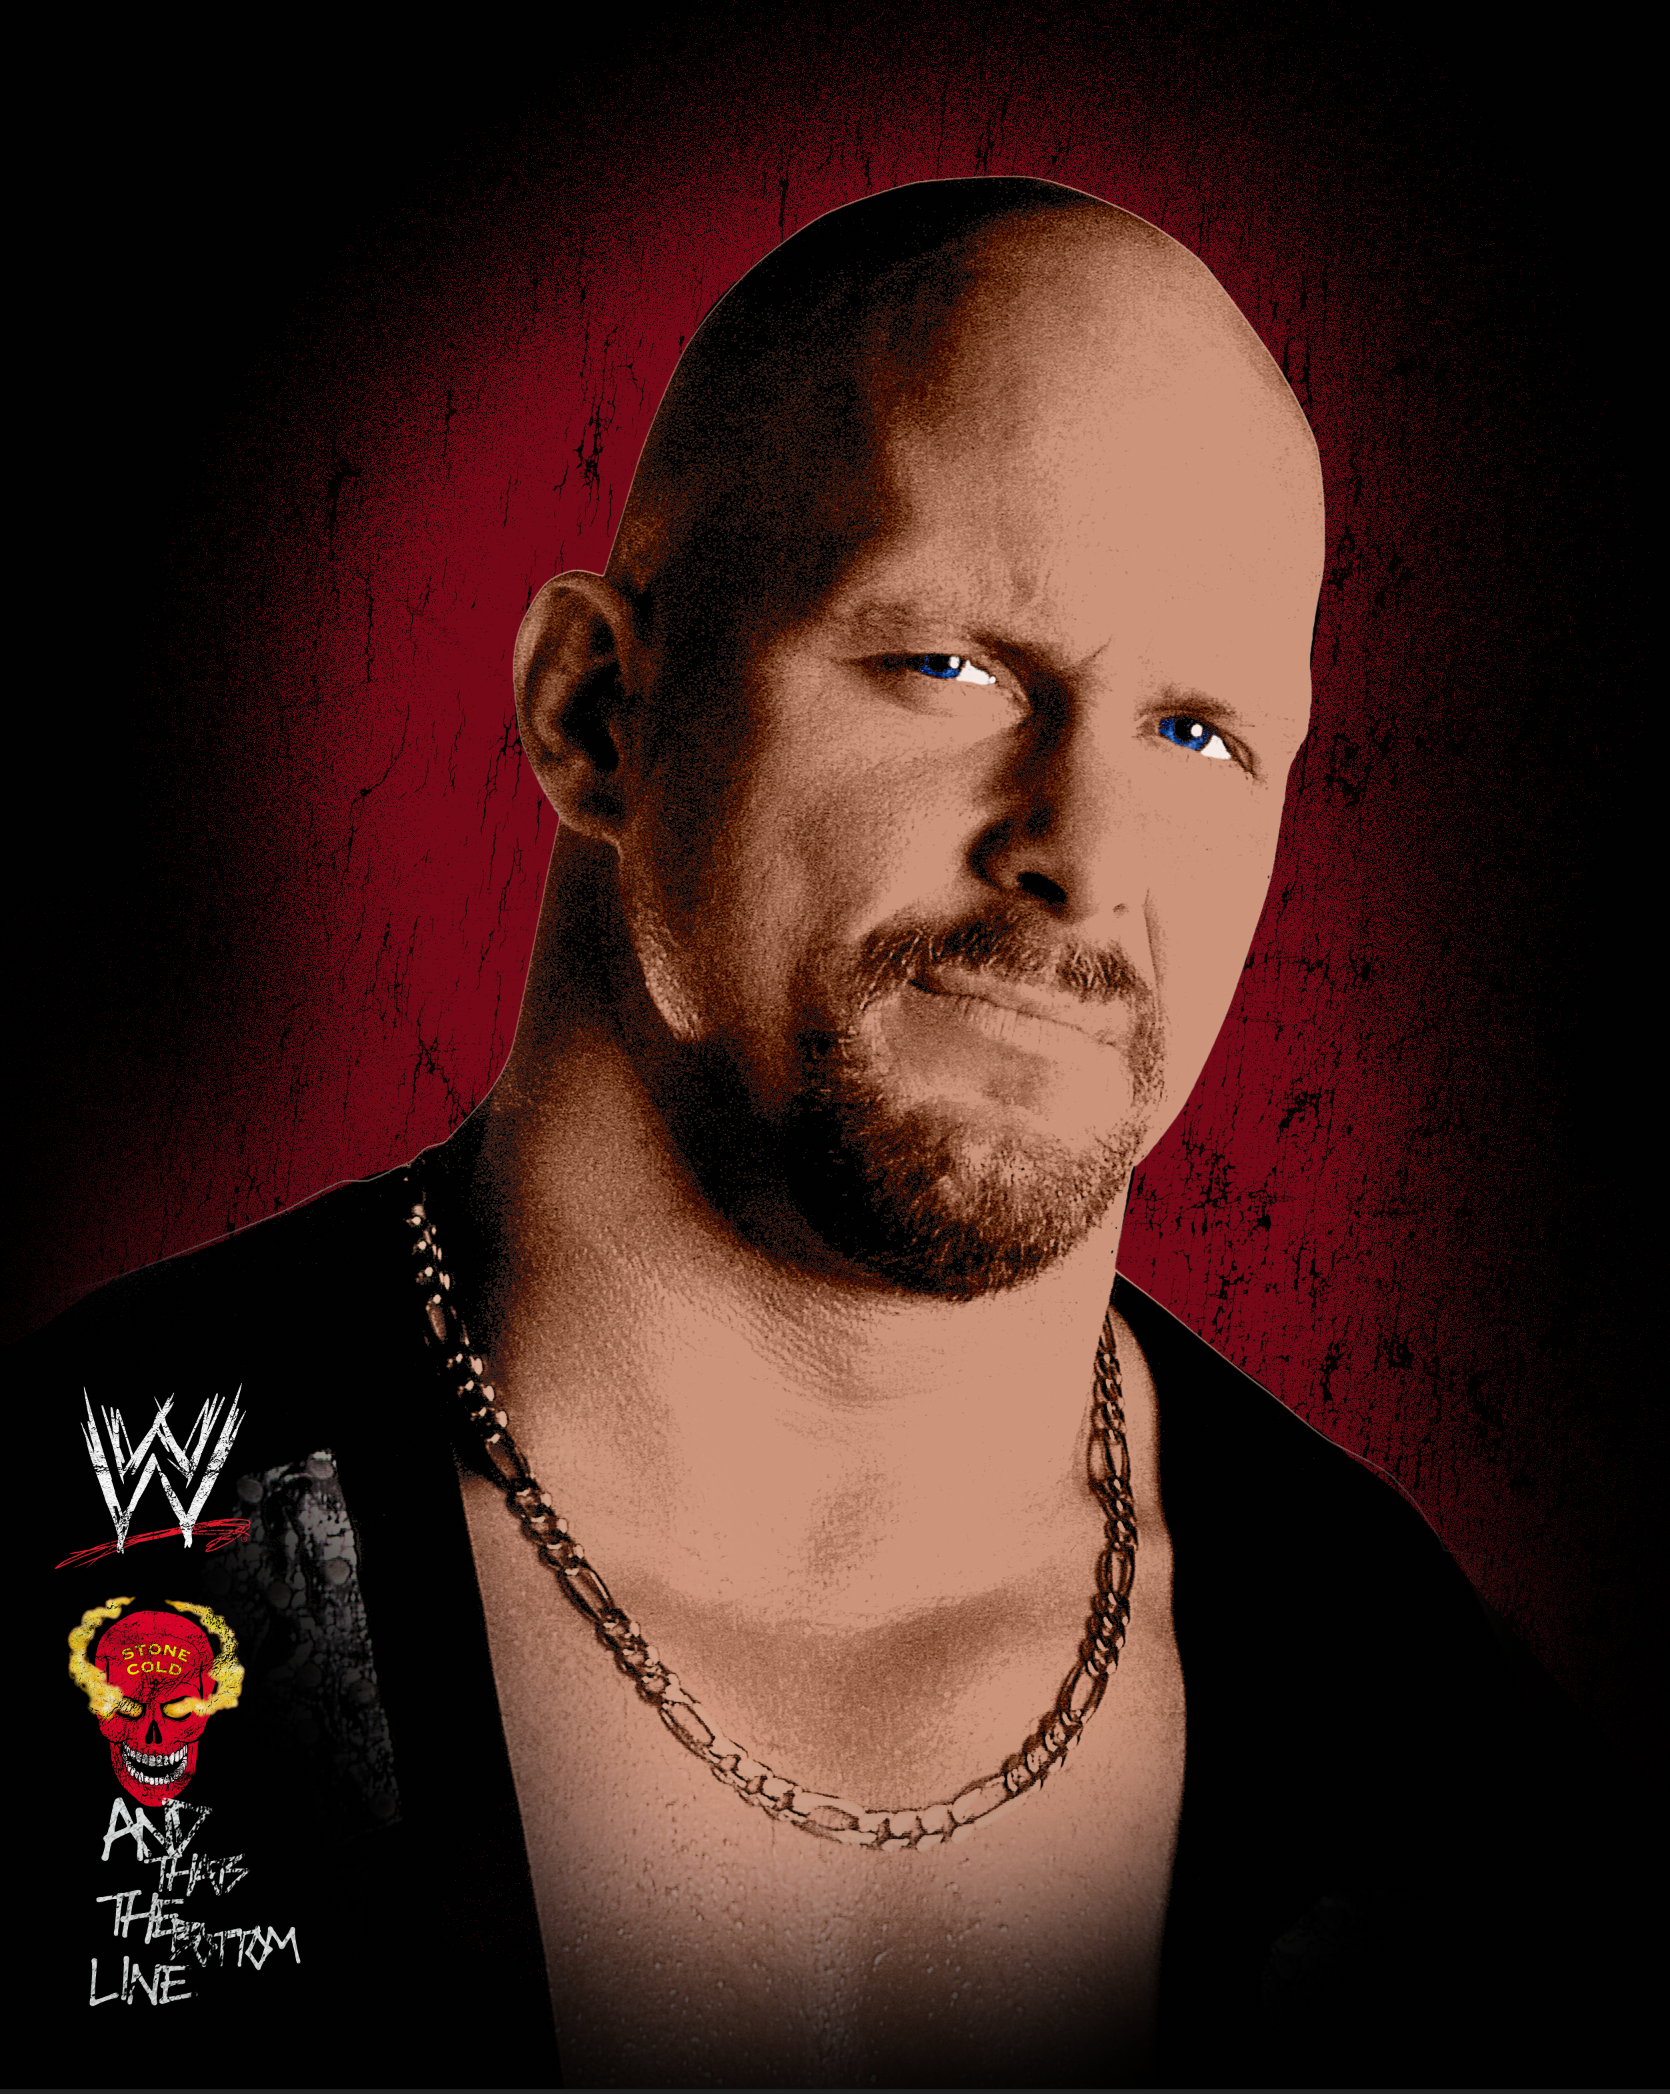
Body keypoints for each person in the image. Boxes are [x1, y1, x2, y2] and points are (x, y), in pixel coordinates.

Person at [23, 178, 1642, 2088]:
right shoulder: (82, 1530)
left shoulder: (1426, 1741)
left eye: (1197, 733)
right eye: (949, 665)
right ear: (596, 710)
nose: (1080, 854)